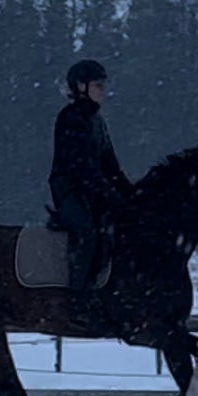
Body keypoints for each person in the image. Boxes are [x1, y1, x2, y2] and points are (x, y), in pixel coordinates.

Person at [48, 59, 133, 300]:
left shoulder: (98, 122)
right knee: (86, 232)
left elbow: (110, 166)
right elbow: (81, 167)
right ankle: (75, 296)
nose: (103, 91)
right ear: (81, 87)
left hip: (94, 187)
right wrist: (109, 194)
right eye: (98, 85)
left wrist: (130, 194)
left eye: (103, 85)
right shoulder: (70, 118)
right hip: (70, 188)